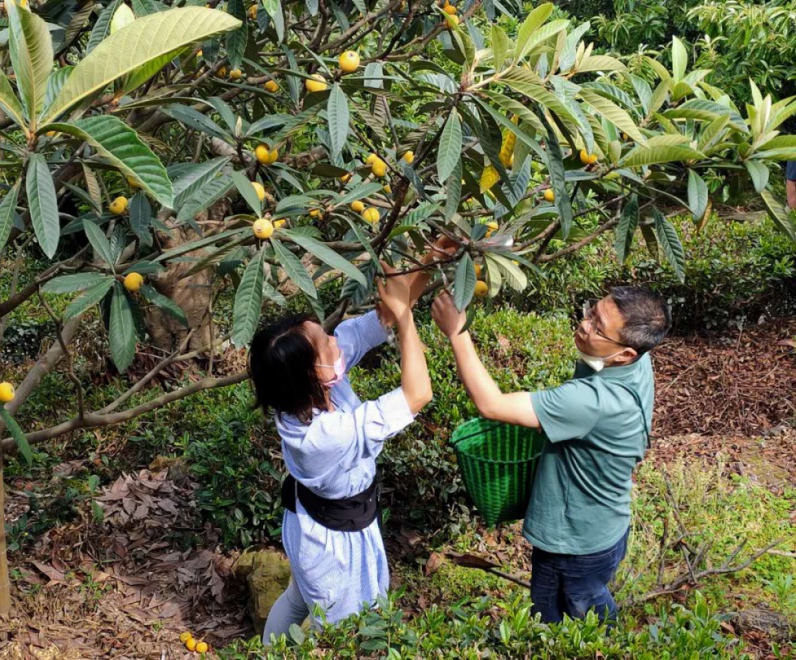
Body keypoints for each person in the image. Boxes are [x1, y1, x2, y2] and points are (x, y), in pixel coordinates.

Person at [250, 241, 453, 644]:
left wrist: (430, 262)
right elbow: (417, 394)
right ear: (312, 374)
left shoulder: (311, 389)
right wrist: (408, 320)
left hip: (321, 516)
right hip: (331, 543)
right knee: (343, 630)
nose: (334, 341)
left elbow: (380, 319)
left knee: (300, 597)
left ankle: (268, 651)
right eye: (325, 342)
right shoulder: (321, 436)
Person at [431, 286, 671, 624]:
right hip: (606, 528)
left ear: (626, 354)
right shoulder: (636, 364)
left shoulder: (593, 401)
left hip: (574, 546)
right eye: (591, 312)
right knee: (586, 601)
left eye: (597, 327)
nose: (585, 325)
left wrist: (456, 331)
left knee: (565, 623)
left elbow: (492, 405)